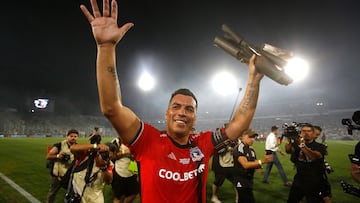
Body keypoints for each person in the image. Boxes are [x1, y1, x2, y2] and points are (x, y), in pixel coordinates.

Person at [80, 0, 264, 202]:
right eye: (176, 107)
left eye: (189, 109)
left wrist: (253, 81)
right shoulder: (146, 140)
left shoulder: (202, 144)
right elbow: (111, 108)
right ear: (166, 113)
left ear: (195, 117)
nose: (182, 112)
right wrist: (106, 47)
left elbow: (240, 123)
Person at [285, 123, 328, 203]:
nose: (306, 133)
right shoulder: (297, 144)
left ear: (313, 133)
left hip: (314, 180)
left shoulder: (319, 146)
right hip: (299, 178)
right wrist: (290, 139)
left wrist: (302, 145)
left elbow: (314, 156)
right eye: (304, 131)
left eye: (309, 131)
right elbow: (288, 150)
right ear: (301, 133)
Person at [68, 132, 113, 203]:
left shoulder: (108, 163)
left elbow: (109, 181)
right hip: (79, 194)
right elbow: (73, 148)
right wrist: (95, 146)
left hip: (96, 197)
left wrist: (103, 167)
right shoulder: (85, 155)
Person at [233, 129, 273, 203]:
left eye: (253, 137)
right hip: (241, 182)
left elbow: (256, 165)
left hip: (249, 182)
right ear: (244, 136)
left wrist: (259, 165)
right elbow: (245, 165)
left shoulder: (251, 150)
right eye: (250, 137)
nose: (252, 139)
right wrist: (262, 161)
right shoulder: (239, 148)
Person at [46, 129, 78, 203]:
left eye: (75, 136)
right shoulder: (59, 145)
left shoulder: (78, 147)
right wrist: (57, 156)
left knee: (71, 195)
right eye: (71, 136)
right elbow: (48, 156)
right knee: (52, 193)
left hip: (70, 176)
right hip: (58, 175)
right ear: (67, 137)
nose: (73, 138)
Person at [111, 137, 139, 203]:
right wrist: (125, 152)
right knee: (118, 197)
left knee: (133, 193)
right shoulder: (116, 141)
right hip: (119, 172)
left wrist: (132, 155)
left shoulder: (134, 140)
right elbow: (112, 156)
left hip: (132, 172)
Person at [210, 138, 238, 203]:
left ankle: (238, 198)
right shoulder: (220, 139)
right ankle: (214, 196)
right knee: (218, 182)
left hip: (231, 164)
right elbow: (218, 150)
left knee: (236, 181)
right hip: (221, 164)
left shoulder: (236, 139)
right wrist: (228, 147)